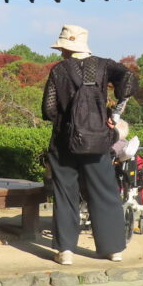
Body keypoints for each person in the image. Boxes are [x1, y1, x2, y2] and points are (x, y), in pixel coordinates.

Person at [41, 24, 137, 265]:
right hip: (99, 141)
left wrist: (70, 120)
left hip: (64, 143)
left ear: (66, 47)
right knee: (105, 192)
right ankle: (113, 249)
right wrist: (113, 114)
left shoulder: (59, 70)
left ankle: (66, 251)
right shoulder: (105, 65)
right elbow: (129, 77)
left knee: (66, 195)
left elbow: (48, 109)